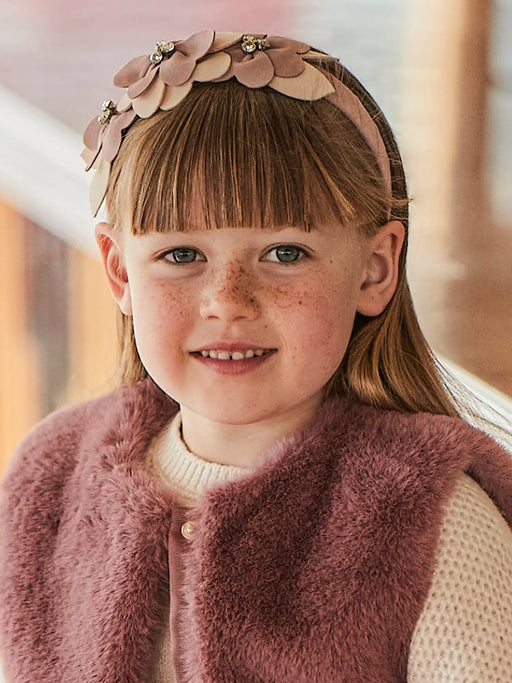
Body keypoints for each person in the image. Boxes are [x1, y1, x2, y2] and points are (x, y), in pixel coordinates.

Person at [1, 28, 511, 683]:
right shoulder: (51, 478)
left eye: (285, 253)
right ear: (120, 272)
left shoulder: (430, 522)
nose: (229, 301)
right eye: (181, 255)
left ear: (375, 267)